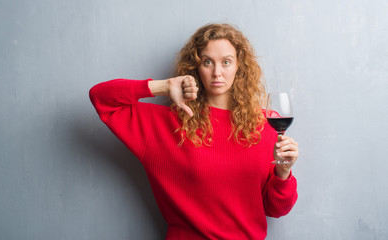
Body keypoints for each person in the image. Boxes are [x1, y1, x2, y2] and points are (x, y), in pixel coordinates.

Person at [89, 23, 299, 240]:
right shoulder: (167, 123)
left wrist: (283, 172)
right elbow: (101, 98)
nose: (217, 72)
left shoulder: (266, 124)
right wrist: (164, 85)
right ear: (196, 67)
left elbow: (276, 209)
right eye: (207, 62)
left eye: (226, 62)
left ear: (239, 67)